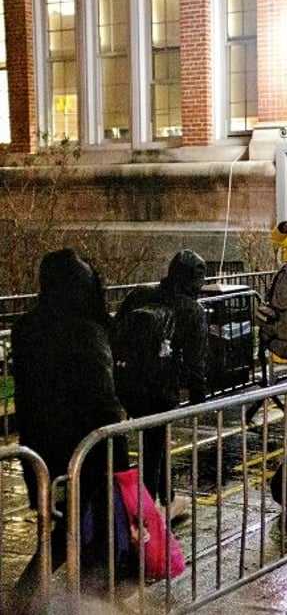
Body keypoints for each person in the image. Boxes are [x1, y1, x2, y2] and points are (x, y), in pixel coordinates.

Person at [10, 249, 130, 611]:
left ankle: (30, 599)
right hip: (85, 452)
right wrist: (121, 460)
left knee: (61, 527)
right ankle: (39, 600)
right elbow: (102, 400)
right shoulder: (87, 331)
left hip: (39, 448)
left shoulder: (26, 327)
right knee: (83, 534)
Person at [114, 250, 208, 517]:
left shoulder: (139, 295)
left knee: (155, 441)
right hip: (160, 387)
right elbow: (195, 360)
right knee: (153, 447)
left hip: (126, 380)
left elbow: (116, 330)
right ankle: (146, 515)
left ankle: (168, 497)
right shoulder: (192, 310)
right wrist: (198, 394)